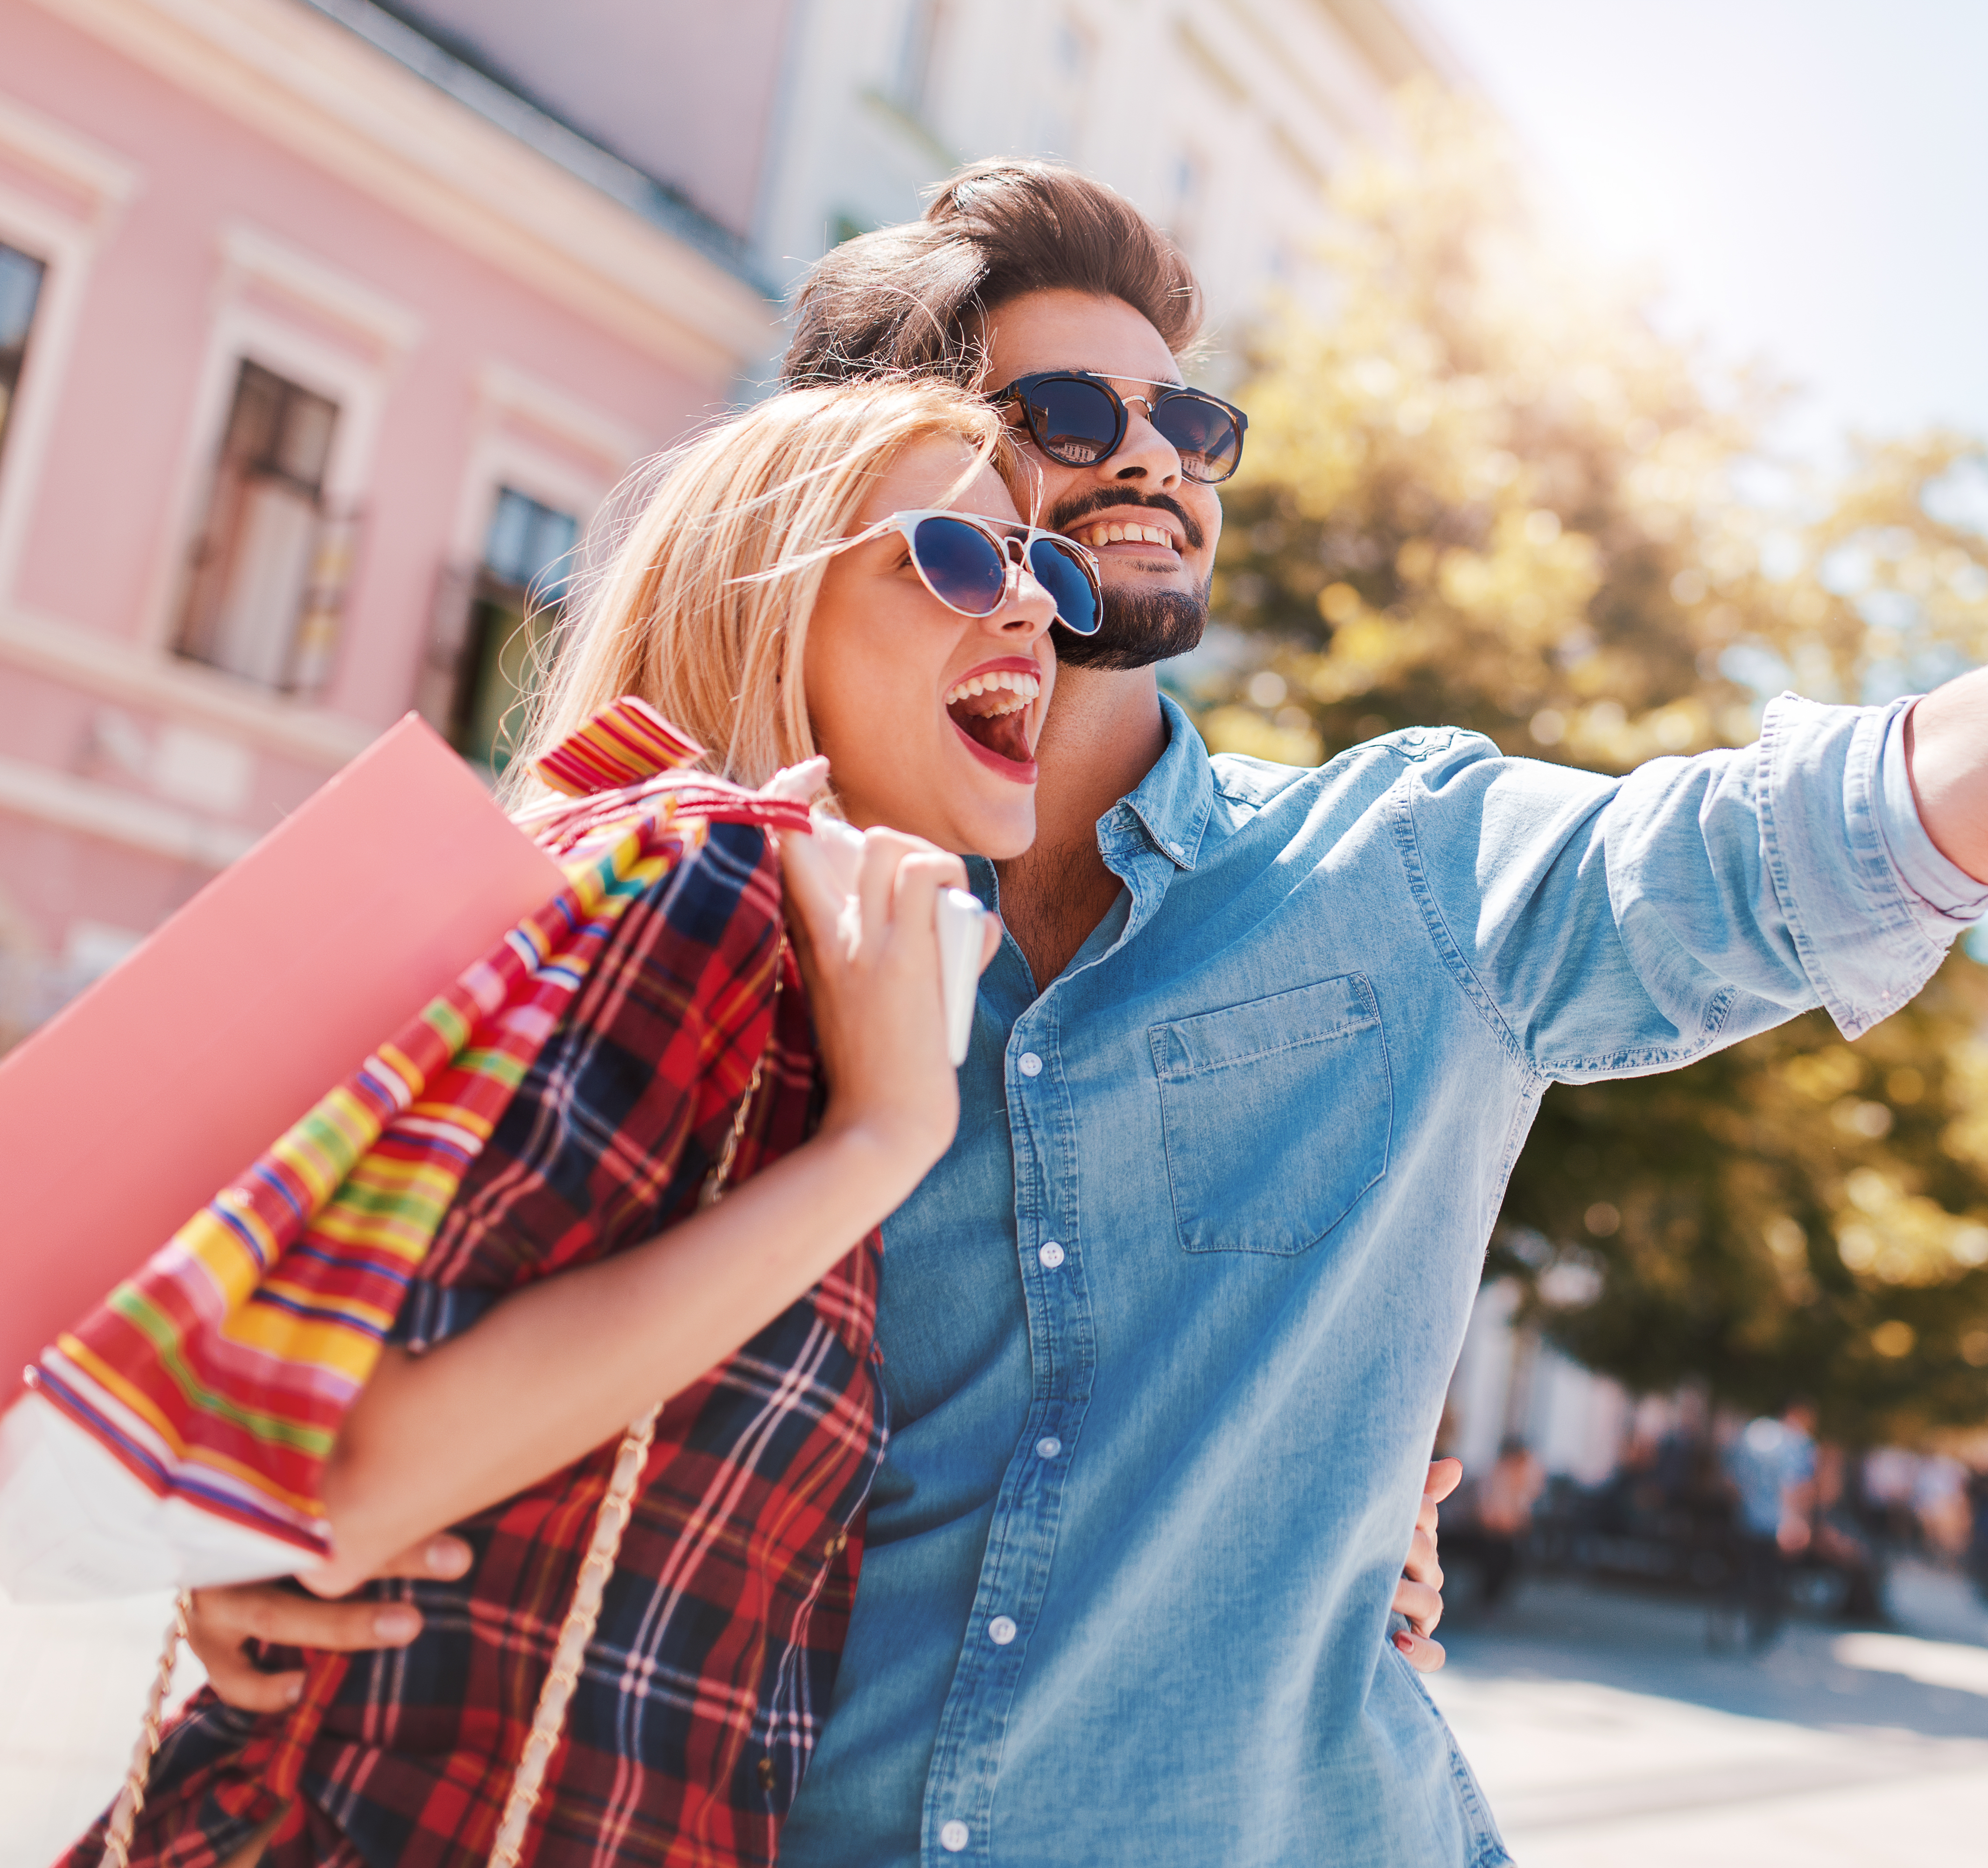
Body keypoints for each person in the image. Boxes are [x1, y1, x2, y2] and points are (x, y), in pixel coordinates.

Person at [199, 157, 1988, 1868]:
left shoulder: (1401, 880)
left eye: (1194, 413)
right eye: (1062, 411)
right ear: (883, 469)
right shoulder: (670, 939)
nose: (1155, 460)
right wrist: (234, 1568)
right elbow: (306, 1371)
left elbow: (1865, 807)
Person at [93, 379, 1449, 1868]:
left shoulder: (793, 949)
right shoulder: (718, 880)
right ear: (767, 604)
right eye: (953, 557)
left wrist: (1335, 1511)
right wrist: (877, 1143)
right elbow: (354, 1477)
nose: (1030, 613)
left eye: (1045, 571)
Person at [1726, 1403, 1819, 1652]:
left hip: (1746, 1517)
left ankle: (1729, 1623)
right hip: (1776, 1523)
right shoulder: (1798, 1445)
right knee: (1770, 1579)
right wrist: (1795, 1521)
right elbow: (1793, 1486)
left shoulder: (1753, 1435)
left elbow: (1733, 1477)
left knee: (1742, 1572)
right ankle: (1760, 1633)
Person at [1463, 1437, 1546, 1609]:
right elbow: (1485, 1508)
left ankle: (1491, 1599)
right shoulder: (1495, 1475)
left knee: (1508, 1558)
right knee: (1495, 1557)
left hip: (1508, 1533)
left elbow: (1524, 1509)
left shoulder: (1521, 1479)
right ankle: (1487, 1599)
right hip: (1488, 1531)